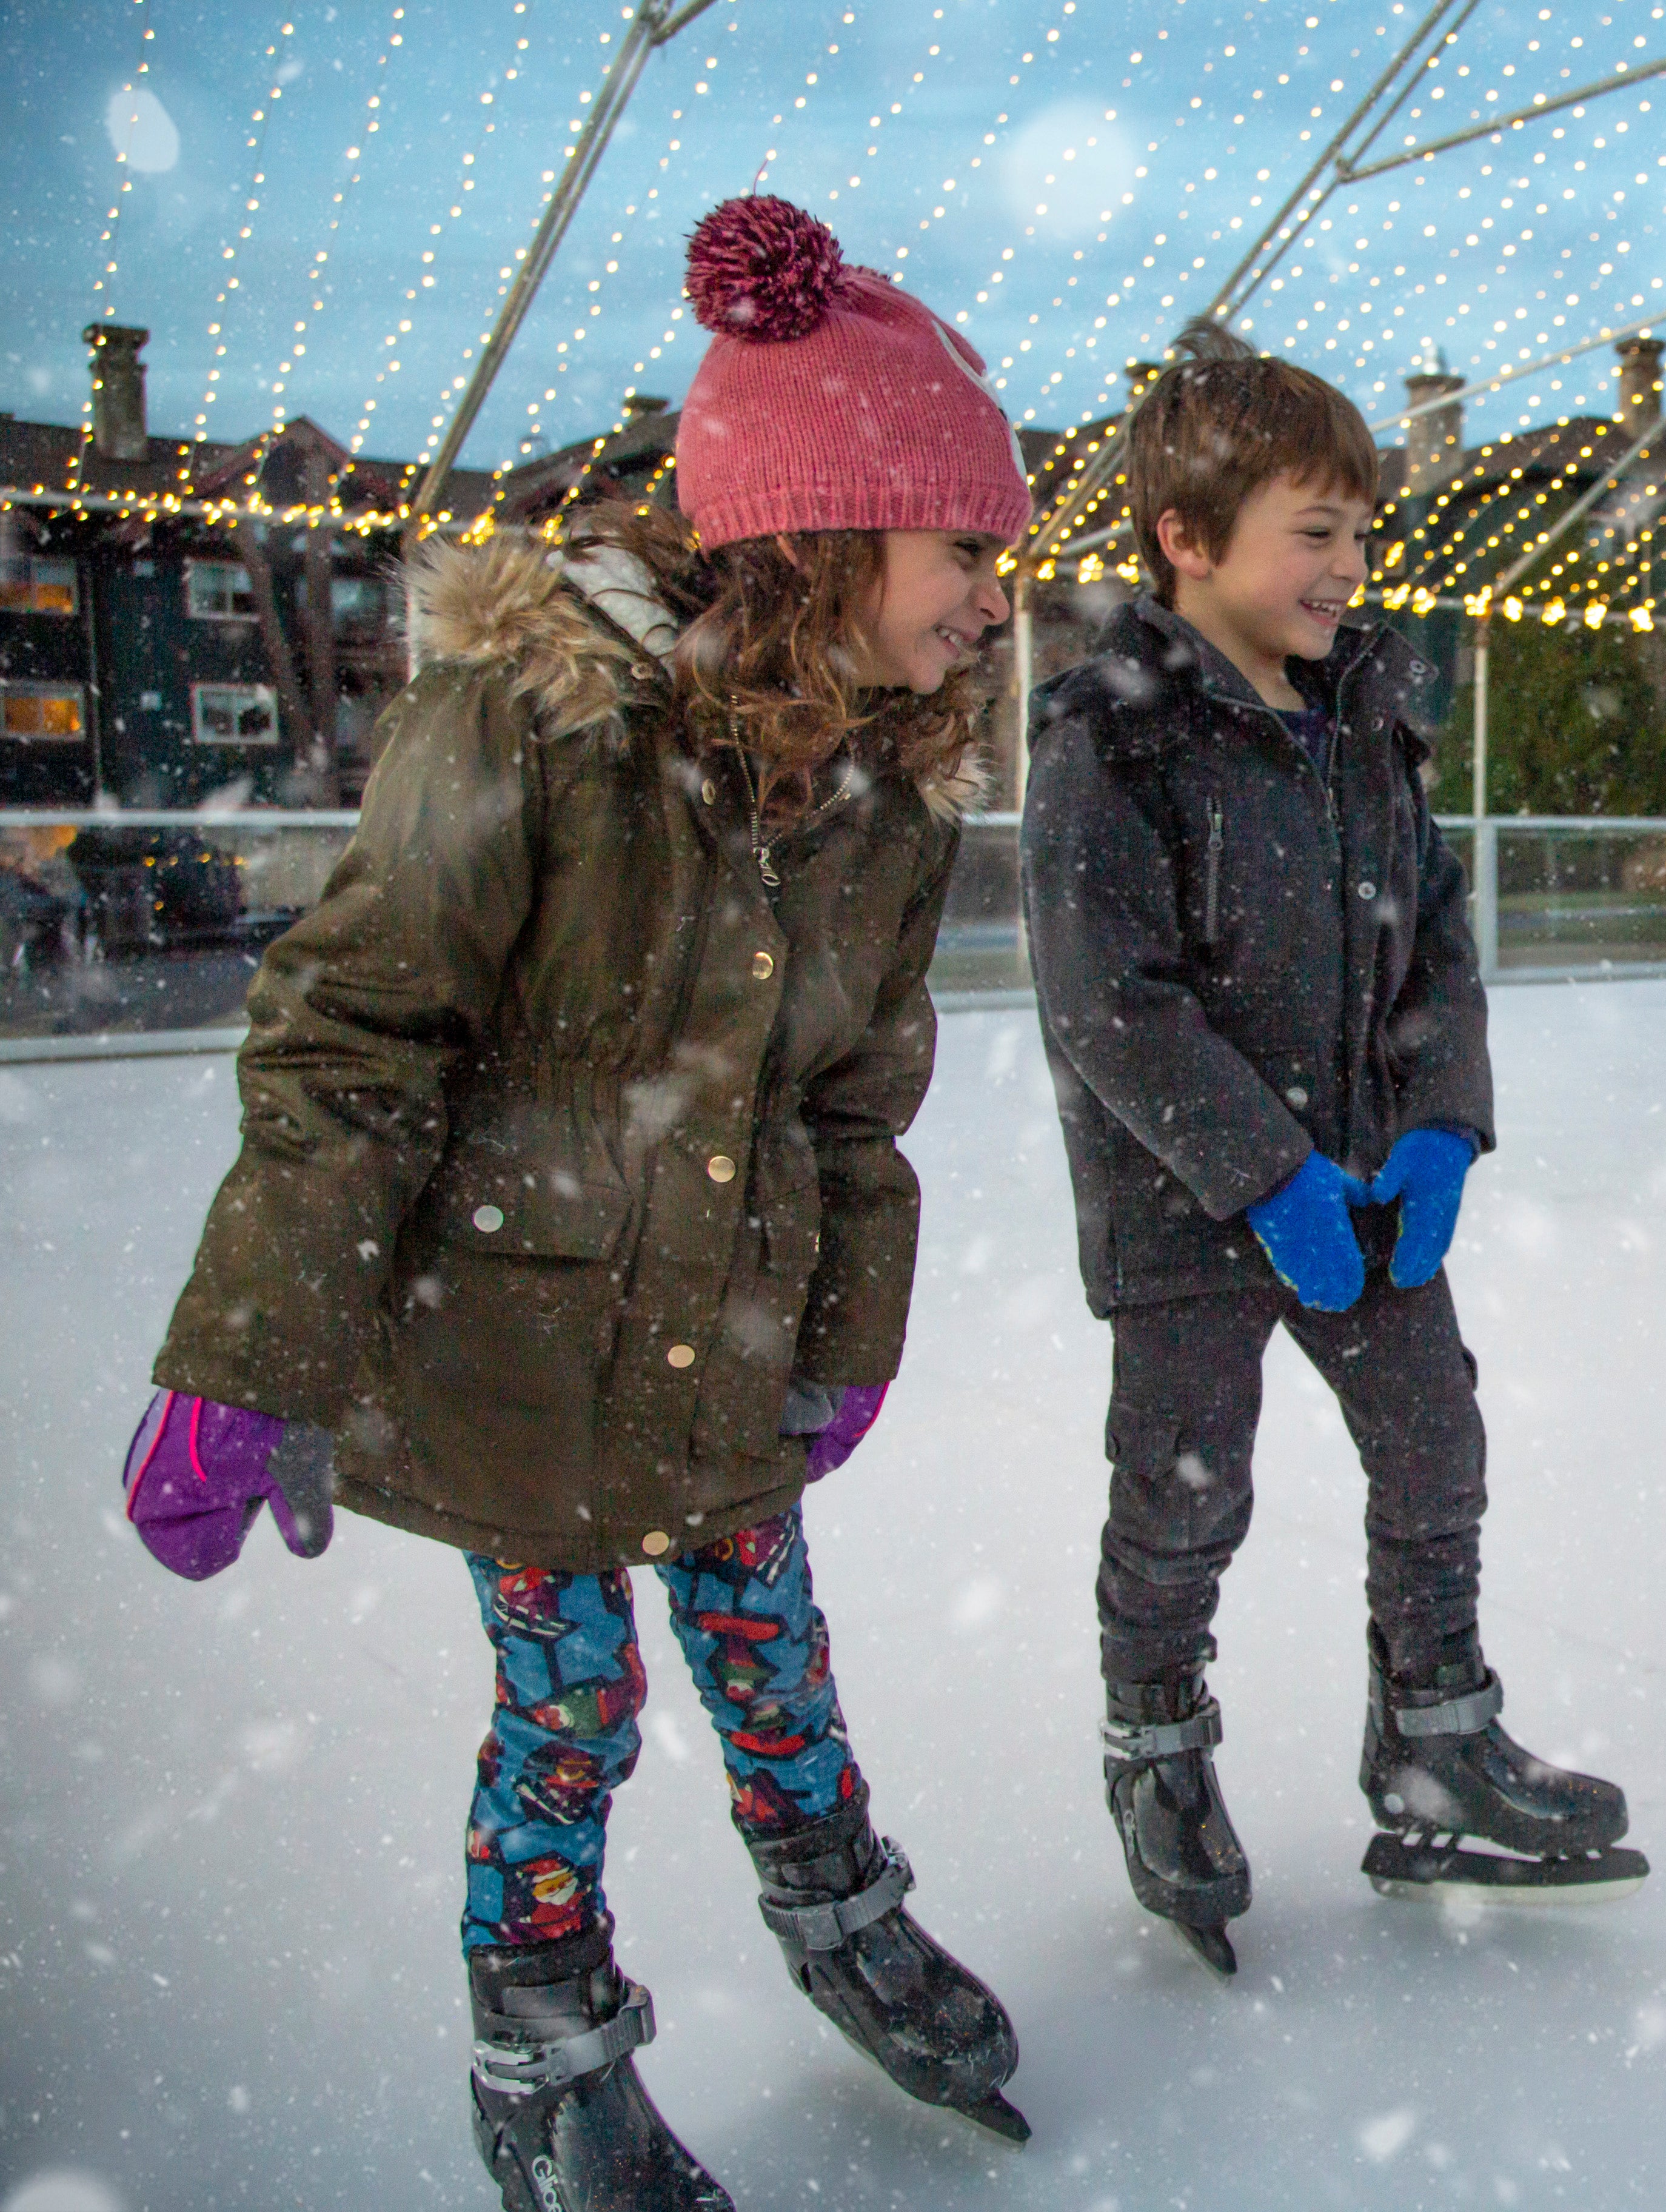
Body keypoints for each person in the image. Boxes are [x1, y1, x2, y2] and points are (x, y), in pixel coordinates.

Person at [129, 194, 1037, 2208]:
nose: (993, 600)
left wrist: (846, 1340)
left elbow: (863, 1103)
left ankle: (836, 1903)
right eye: (969, 551)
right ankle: (543, 2031)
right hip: (514, 1358)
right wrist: (251, 1353)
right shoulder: (535, 722)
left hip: (729, 1340)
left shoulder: (884, 788)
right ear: (822, 524)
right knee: (575, 1703)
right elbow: (358, 1027)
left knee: (774, 1649)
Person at [1022, 326, 1645, 1983]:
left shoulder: (1368, 707)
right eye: (1315, 532)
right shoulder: (1112, 732)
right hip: (1188, 1207)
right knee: (1182, 1495)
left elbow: (1436, 931)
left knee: (1437, 1444)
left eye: (1359, 532)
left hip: (1370, 1191)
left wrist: (1438, 1121)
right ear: (1187, 540)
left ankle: (1436, 1738)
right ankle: (1158, 1751)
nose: (1350, 567)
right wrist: (1258, 1170)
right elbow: (1109, 999)